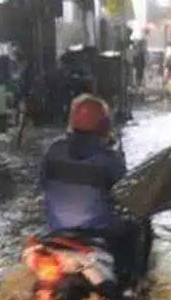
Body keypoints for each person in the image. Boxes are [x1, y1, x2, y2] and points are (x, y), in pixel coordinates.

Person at [35, 94, 144, 288]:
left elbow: (43, 187)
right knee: (136, 229)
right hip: (96, 239)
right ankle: (129, 289)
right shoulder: (110, 159)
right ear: (104, 125)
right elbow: (126, 195)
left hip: (57, 235)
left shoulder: (53, 150)